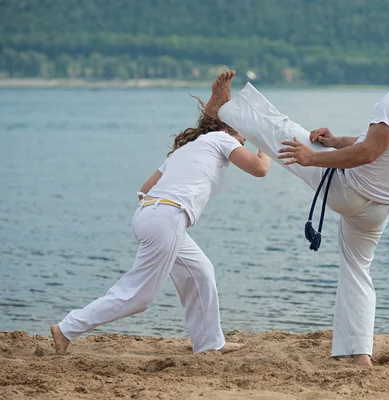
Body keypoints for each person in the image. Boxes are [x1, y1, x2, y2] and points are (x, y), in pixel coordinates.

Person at [207, 44, 389, 366]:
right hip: (380, 209)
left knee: (287, 134)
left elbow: (368, 154)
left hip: (349, 190)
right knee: (358, 270)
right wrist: (336, 142)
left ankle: (223, 110)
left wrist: (313, 158)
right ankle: (358, 353)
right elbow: (379, 147)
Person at [50, 87, 271, 355]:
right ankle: (67, 328)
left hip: (151, 214)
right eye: (242, 137)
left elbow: (145, 188)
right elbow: (260, 169)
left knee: (201, 271)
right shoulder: (222, 139)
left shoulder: (187, 149)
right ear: (231, 130)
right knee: (139, 296)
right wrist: (266, 141)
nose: (242, 142)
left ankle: (210, 343)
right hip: (167, 217)